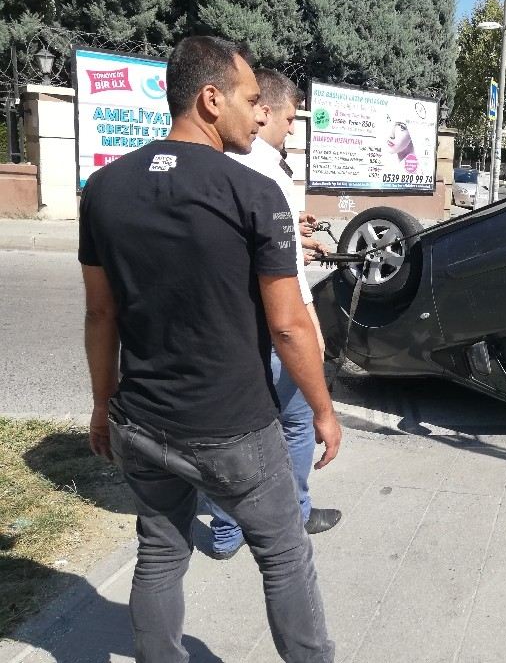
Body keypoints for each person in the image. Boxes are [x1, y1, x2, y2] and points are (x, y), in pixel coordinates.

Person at [80, 36, 339, 662]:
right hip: (234, 431)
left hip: (140, 421)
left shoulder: (105, 189)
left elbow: (100, 312)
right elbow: (289, 326)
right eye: (252, 100)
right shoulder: (252, 191)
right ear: (210, 97)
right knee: (283, 556)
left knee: (162, 554)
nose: (258, 113)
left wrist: (101, 406)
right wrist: (324, 411)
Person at [207, 68, 340, 559]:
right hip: (274, 322)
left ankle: (225, 532)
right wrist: (312, 324)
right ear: (263, 110)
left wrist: (296, 237)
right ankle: (296, 513)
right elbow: (284, 279)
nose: (289, 127)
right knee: (299, 419)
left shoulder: (228, 165)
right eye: (287, 117)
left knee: (235, 428)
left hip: (233, 325)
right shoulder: (267, 174)